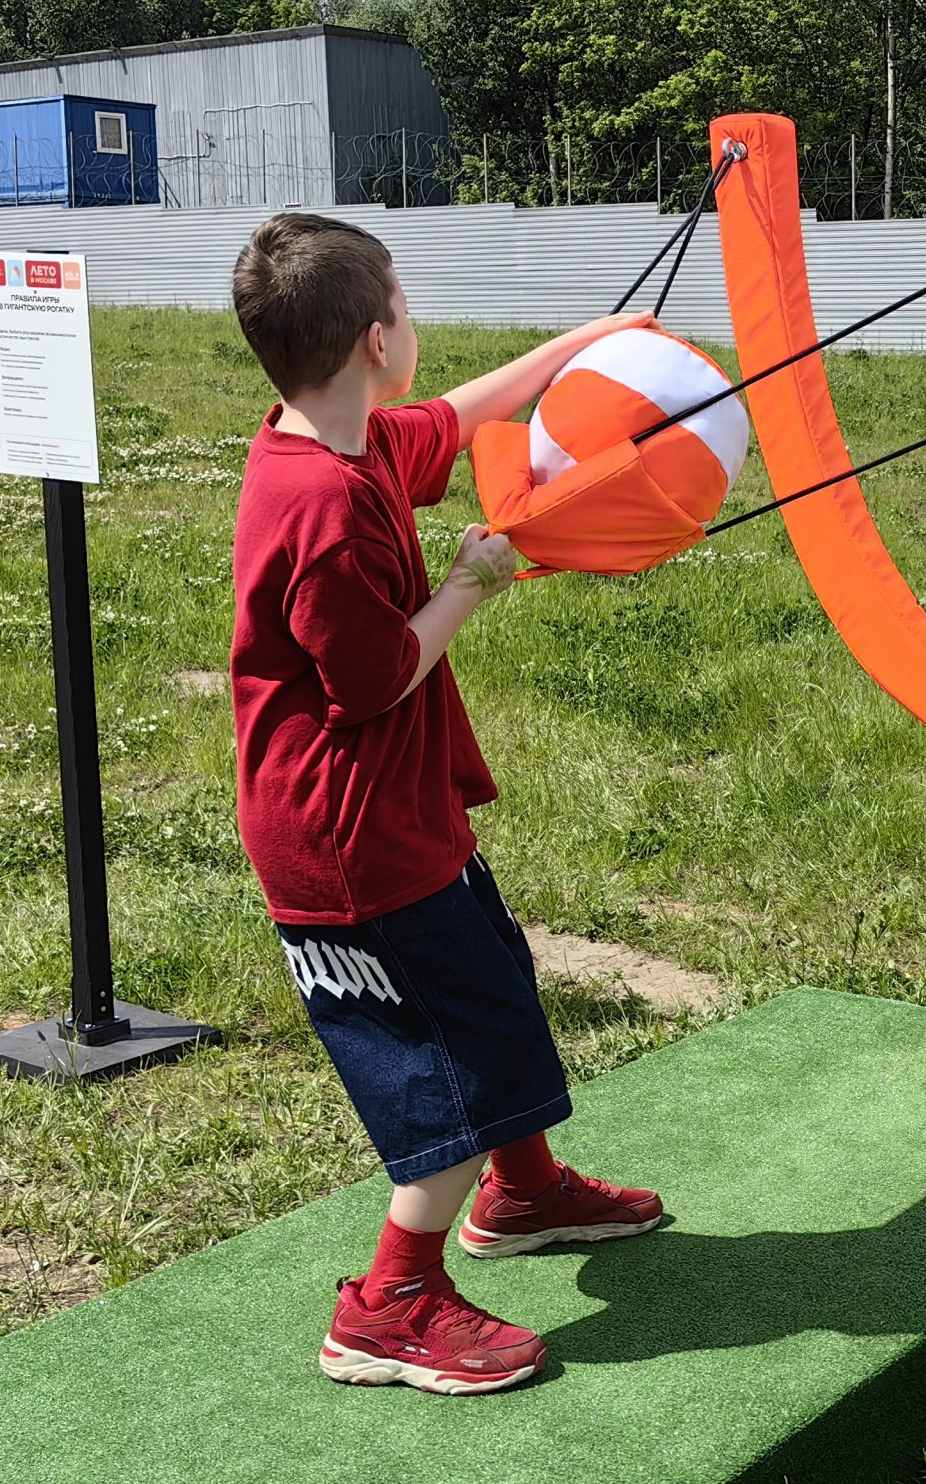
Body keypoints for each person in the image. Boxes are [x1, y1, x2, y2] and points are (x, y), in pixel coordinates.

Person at [229, 211, 665, 1396]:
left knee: (494, 985)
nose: (414, 329)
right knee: (455, 1062)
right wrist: (472, 580)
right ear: (377, 339)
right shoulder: (321, 503)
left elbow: (460, 415)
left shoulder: (349, 439)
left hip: (396, 808)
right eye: (407, 309)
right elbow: (372, 680)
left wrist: (586, 342)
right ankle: (390, 1304)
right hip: (348, 839)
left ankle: (523, 1193)